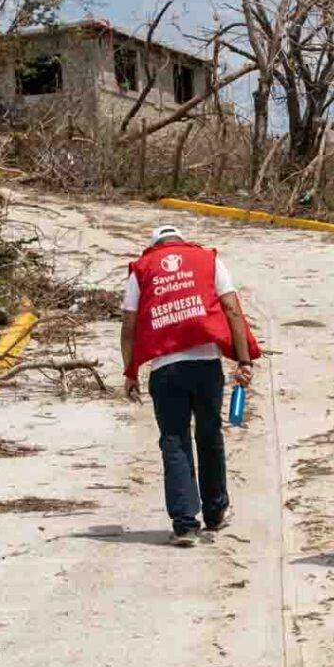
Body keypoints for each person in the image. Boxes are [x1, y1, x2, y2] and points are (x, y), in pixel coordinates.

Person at [121, 224, 255, 547]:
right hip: (206, 366)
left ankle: (184, 525)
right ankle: (215, 513)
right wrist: (244, 360)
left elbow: (129, 324)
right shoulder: (209, 261)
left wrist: (130, 371)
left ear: (155, 246)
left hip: (166, 369)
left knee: (174, 440)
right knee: (209, 435)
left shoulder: (141, 269)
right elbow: (233, 311)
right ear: (181, 241)